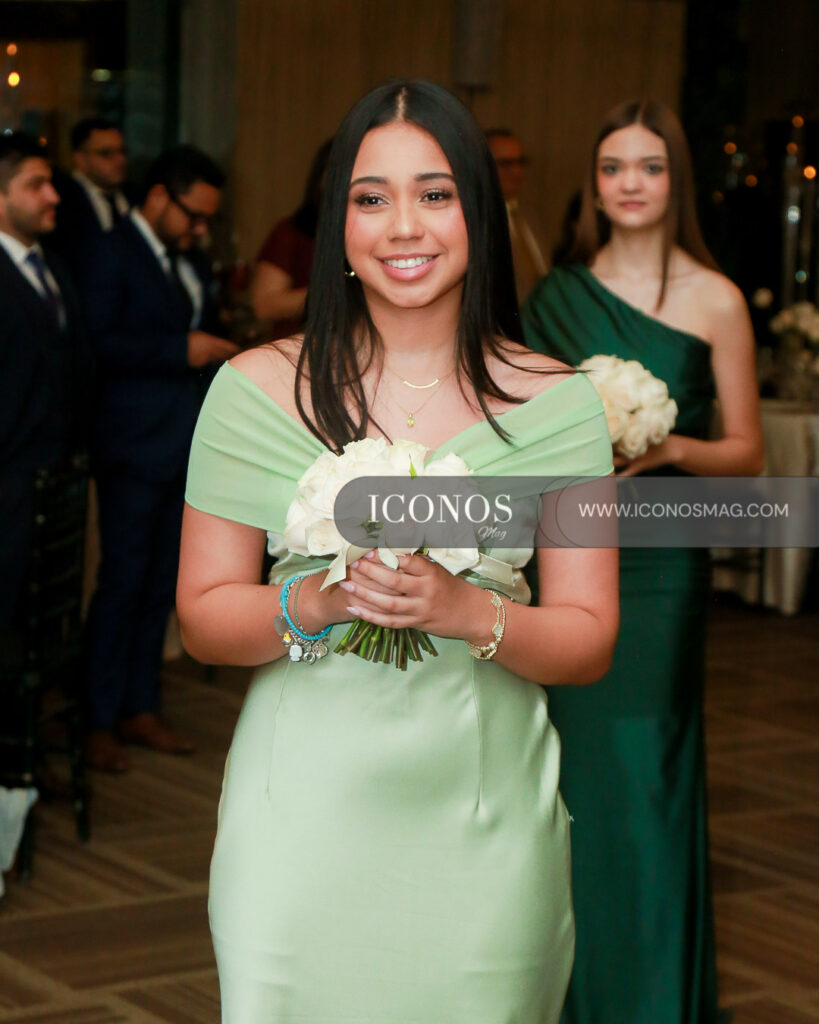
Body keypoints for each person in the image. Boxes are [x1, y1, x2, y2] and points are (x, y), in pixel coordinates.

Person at [177, 80, 619, 1021]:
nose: (401, 225)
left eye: (435, 193)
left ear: (479, 214)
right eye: (370, 198)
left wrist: (466, 613)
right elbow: (204, 620)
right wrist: (319, 604)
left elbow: (588, 640)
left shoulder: (560, 406)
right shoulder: (254, 392)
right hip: (296, 828)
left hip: (485, 828)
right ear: (336, 222)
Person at [522, 98, 763, 1024]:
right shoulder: (557, 297)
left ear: (675, 183)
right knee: (569, 782)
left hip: (662, 565)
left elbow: (746, 453)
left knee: (647, 775)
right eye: (613, 167)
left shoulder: (717, 298)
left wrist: (667, 452)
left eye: (649, 167)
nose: (629, 183)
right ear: (594, 183)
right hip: (570, 556)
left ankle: (655, 1001)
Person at [81, 145, 239, 774]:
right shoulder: (108, 250)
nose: (201, 228)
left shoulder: (187, 257)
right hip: (132, 443)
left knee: (161, 586)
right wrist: (181, 347)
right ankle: (97, 717)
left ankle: (141, 705)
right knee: (121, 583)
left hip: (184, 445)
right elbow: (97, 342)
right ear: (157, 198)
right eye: (193, 215)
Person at [0, 132, 89, 633]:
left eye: (51, 183)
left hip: (51, 479)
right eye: (36, 185)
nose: (53, 196)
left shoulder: (53, 265)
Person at [250, 138, 332, 339]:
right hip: (300, 348)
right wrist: (338, 293)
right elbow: (264, 304)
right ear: (320, 178)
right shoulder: (293, 231)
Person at [50, 118, 130, 267]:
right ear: (81, 159)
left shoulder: (135, 195)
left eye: (122, 152)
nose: (120, 160)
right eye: (106, 154)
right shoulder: (59, 200)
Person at [486, 128, 548, 306]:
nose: (516, 171)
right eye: (505, 164)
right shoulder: (476, 221)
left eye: (520, 162)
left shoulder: (530, 216)